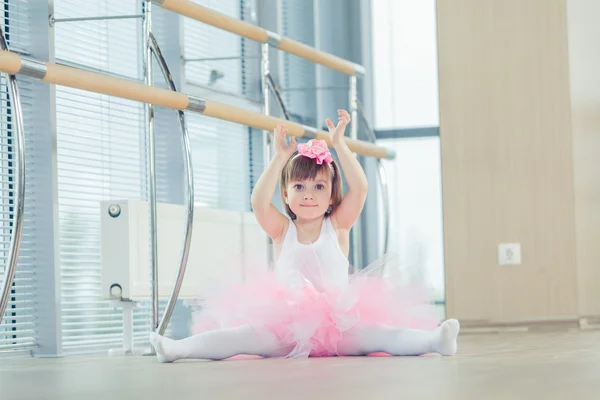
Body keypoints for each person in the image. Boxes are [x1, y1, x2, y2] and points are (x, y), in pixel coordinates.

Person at [149, 110, 459, 362]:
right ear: (285, 193)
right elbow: (258, 202)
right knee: (240, 338)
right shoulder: (282, 230)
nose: (308, 195)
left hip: (340, 324)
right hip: (286, 327)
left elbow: (361, 188)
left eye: (318, 188)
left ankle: (435, 340)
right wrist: (279, 158)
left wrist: (339, 144)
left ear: (331, 196)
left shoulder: (337, 226)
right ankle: (179, 349)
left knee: (380, 335)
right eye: (299, 187)